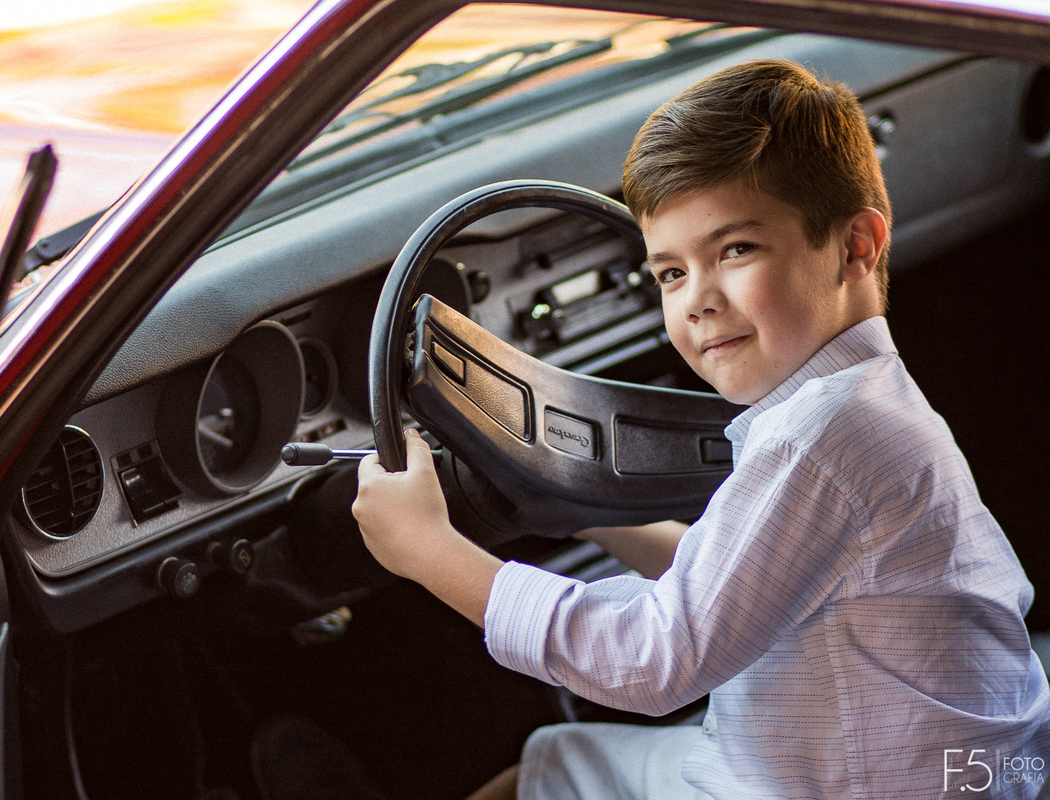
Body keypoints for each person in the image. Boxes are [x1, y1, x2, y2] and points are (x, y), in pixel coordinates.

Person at [349, 59, 1050, 799]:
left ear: (856, 247)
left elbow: (652, 661)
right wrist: (582, 516)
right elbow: (733, 586)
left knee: (543, 771)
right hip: (947, 770)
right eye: (670, 274)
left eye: (735, 251)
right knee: (561, 760)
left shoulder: (816, 442)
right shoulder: (865, 404)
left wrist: (426, 550)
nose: (697, 301)